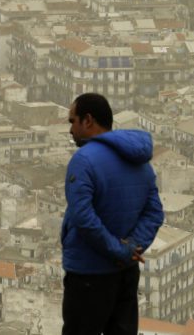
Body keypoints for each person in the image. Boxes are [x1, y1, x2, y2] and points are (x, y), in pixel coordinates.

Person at [61, 93, 164, 335]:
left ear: (88, 120)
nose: (70, 130)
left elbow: (82, 217)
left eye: (72, 121)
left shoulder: (83, 160)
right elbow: (154, 213)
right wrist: (132, 248)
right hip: (126, 272)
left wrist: (118, 250)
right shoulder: (140, 161)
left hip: (88, 272)